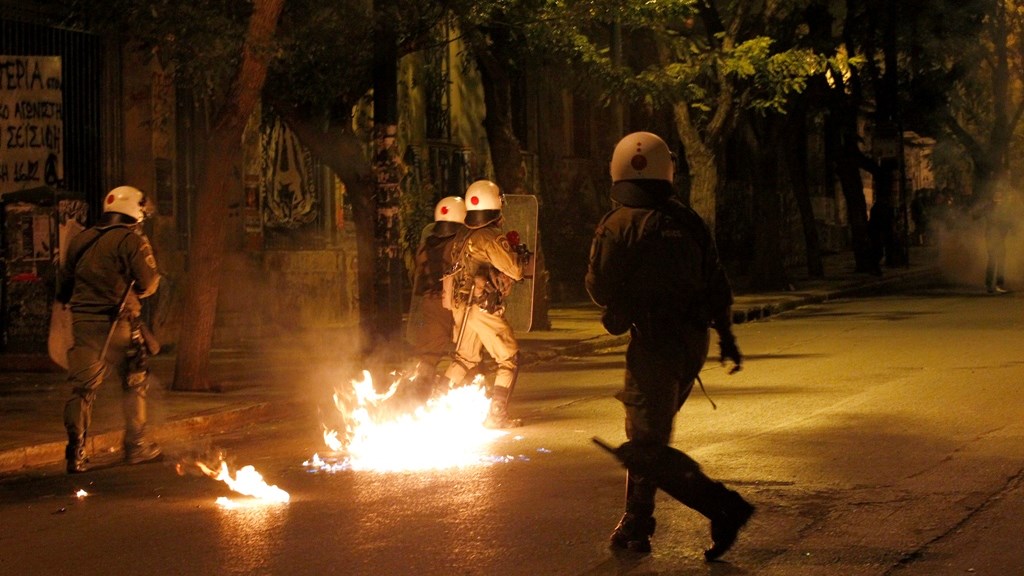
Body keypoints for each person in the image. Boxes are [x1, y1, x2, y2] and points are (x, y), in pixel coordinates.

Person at [585, 132, 752, 559]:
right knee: (648, 437)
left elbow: (599, 288)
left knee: (644, 445)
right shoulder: (689, 222)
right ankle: (638, 521)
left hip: (653, 346)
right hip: (690, 342)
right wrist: (727, 338)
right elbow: (716, 282)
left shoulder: (616, 224)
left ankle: (722, 507)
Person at [56, 185, 162, 474]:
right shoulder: (130, 240)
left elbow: (64, 287)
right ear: (134, 210)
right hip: (119, 324)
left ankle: (75, 454)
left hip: (83, 324)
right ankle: (137, 446)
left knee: (83, 389)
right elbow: (149, 282)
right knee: (135, 379)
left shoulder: (81, 239)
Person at [439, 180, 525, 428]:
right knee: (509, 358)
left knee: (464, 359)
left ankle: (436, 401)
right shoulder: (490, 237)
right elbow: (516, 270)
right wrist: (517, 255)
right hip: (482, 307)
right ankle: (497, 416)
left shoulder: (464, 237)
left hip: (462, 307)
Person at [403, 196, 467, 403]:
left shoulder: (426, 245)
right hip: (454, 303)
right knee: (467, 355)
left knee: (427, 356)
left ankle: (415, 400)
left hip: (430, 301)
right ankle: (450, 397)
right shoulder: (459, 245)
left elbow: (417, 275)